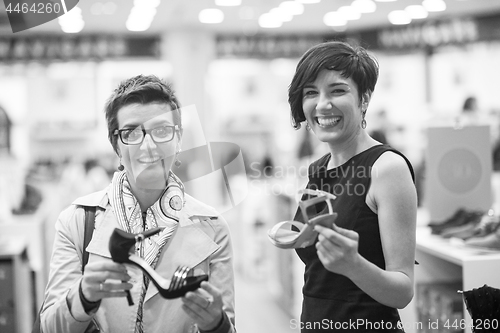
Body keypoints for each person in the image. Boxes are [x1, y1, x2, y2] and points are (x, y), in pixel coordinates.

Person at [40, 75, 235, 333]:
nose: (149, 145)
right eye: (131, 132)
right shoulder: (77, 220)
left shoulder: (212, 227)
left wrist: (216, 325)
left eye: (162, 131)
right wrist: (82, 297)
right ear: (117, 146)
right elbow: (49, 327)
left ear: (178, 140)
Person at [287, 41, 417, 332]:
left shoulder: (387, 168)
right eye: (311, 92)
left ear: (365, 98)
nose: (322, 104)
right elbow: (320, 271)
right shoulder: (318, 168)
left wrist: (353, 264)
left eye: (337, 90)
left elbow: (403, 290)